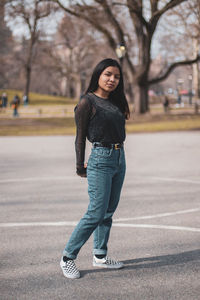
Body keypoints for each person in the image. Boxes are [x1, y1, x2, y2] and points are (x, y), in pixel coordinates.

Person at [60, 58, 130, 279]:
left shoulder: (117, 102)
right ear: (98, 75)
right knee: (96, 211)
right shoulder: (86, 102)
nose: (112, 79)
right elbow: (80, 138)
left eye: (116, 76)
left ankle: (100, 255)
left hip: (120, 157)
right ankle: (67, 258)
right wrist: (80, 166)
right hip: (100, 158)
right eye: (108, 74)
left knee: (109, 210)